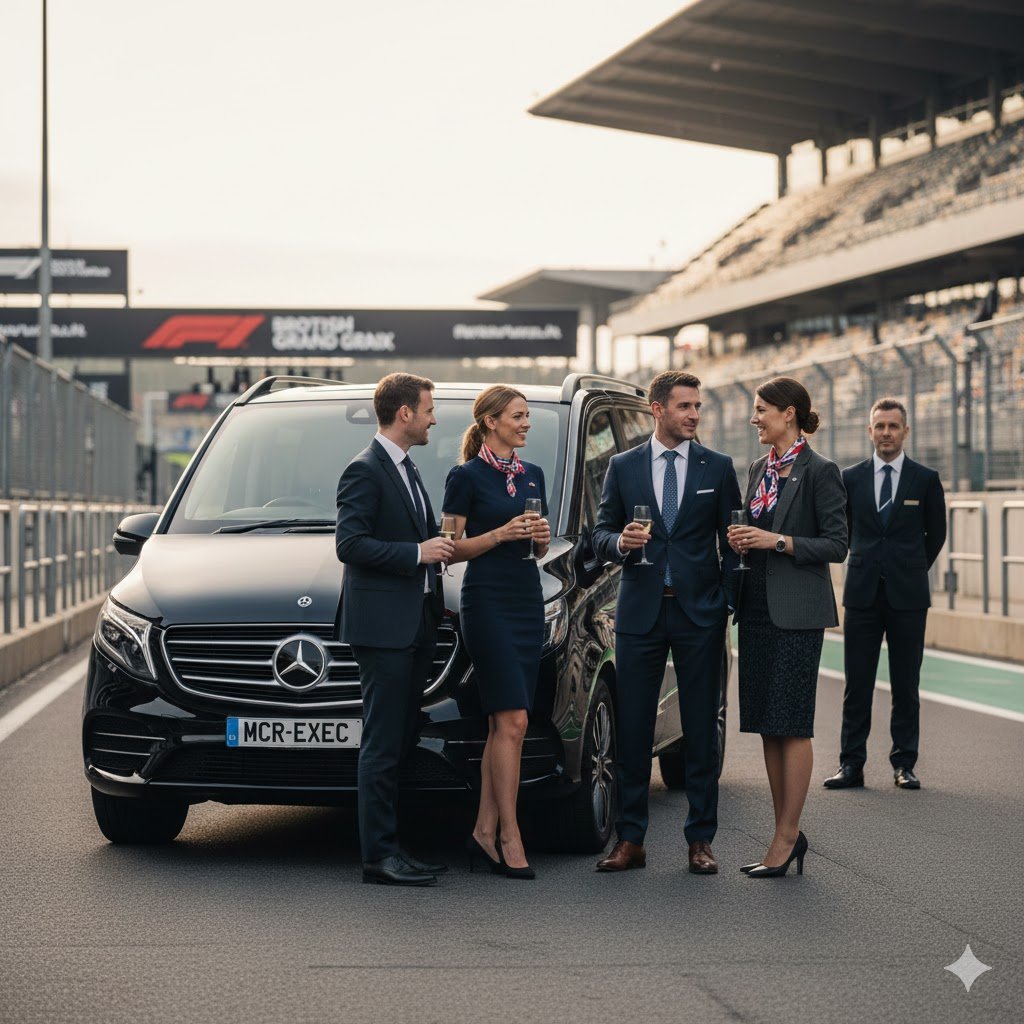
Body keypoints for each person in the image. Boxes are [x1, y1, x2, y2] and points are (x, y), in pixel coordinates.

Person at [592, 370, 741, 875]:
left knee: (700, 731)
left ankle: (701, 840)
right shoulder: (623, 466)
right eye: (684, 406)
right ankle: (630, 839)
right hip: (640, 613)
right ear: (658, 410)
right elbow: (599, 533)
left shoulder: (717, 468)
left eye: (697, 406)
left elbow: (733, 541)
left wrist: (726, 601)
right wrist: (618, 544)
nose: (694, 414)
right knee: (634, 729)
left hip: (699, 614)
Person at [335, 372, 455, 887]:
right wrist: (417, 553)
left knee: (399, 740)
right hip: (383, 631)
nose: (433, 418)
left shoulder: (405, 469)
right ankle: (379, 857)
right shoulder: (365, 470)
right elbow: (350, 544)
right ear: (404, 413)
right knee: (381, 745)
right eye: (428, 409)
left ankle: (394, 848)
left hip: (413, 627)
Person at [728, 377, 847, 878]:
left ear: (789, 413)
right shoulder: (757, 468)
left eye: (761, 410)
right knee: (767, 723)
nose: (754, 418)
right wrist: (740, 542)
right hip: (754, 605)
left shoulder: (821, 471)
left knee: (792, 722)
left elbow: (836, 544)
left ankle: (785, 836)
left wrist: (775, 542)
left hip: (797, 611)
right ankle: (786, 831)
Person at [442, 385, 551, 880]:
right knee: (513, 723)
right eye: (518, 416)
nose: (526, 423)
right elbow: (449, 547)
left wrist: (540, 539)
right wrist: (499, 535)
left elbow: (537, 550)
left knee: (502, 727)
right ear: (489, 421)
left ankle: (484, 832)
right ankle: (512, 834)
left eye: (527, 416)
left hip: (526, 600)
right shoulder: (463, 476)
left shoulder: (533, 475)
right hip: (485, 601)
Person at [823, 398, 947, 792]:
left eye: (893, 426)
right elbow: (843, 531)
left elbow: (936, 534)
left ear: (905, 431)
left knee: (906, 683)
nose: (886, 433)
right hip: (862, 593)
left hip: (908, 597)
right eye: (880, 426)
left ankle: (904, 763)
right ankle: (851, 764)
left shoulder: (925, 479)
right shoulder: (851, 477)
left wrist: (908, 568)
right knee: (856, 683)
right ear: (870, 430)